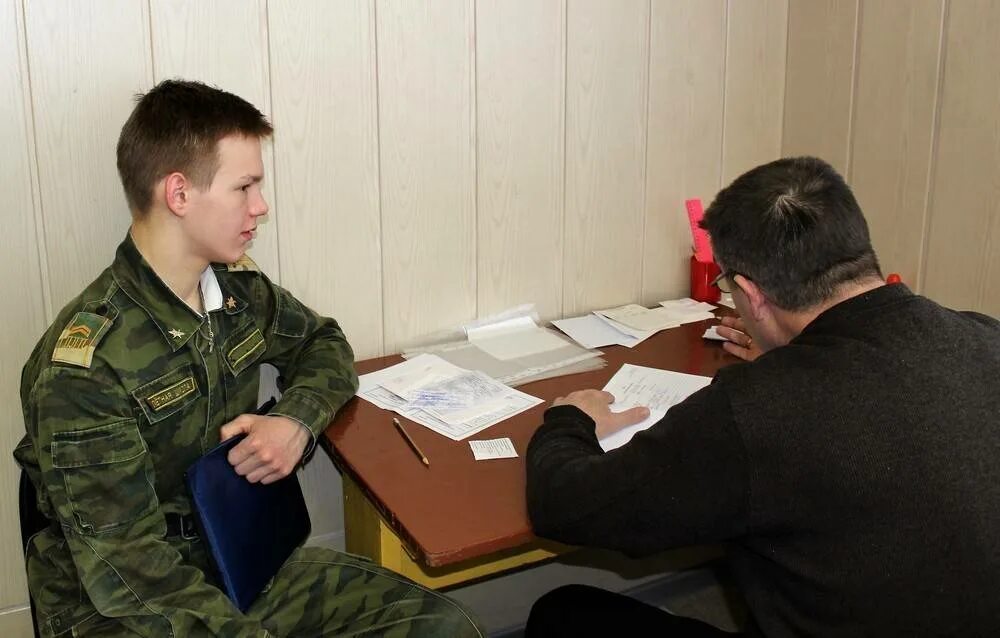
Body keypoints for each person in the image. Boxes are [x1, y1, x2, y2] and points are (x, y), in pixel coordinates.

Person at [14, 80, 483, 638]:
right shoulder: (86, 367)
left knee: (441, 627)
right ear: (180, 194)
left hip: (234, 556)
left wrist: (295, 422)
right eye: (245, 187)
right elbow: (130, 571)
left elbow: (326, 345)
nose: (260, 207)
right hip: (120, 607)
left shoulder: (235, 291)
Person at [524, 156, 1000, 637]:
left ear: (750, 294)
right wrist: (791, 355)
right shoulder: (986, 339)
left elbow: (568, 507)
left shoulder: (758, 408)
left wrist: (568, 420)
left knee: (564, 614)